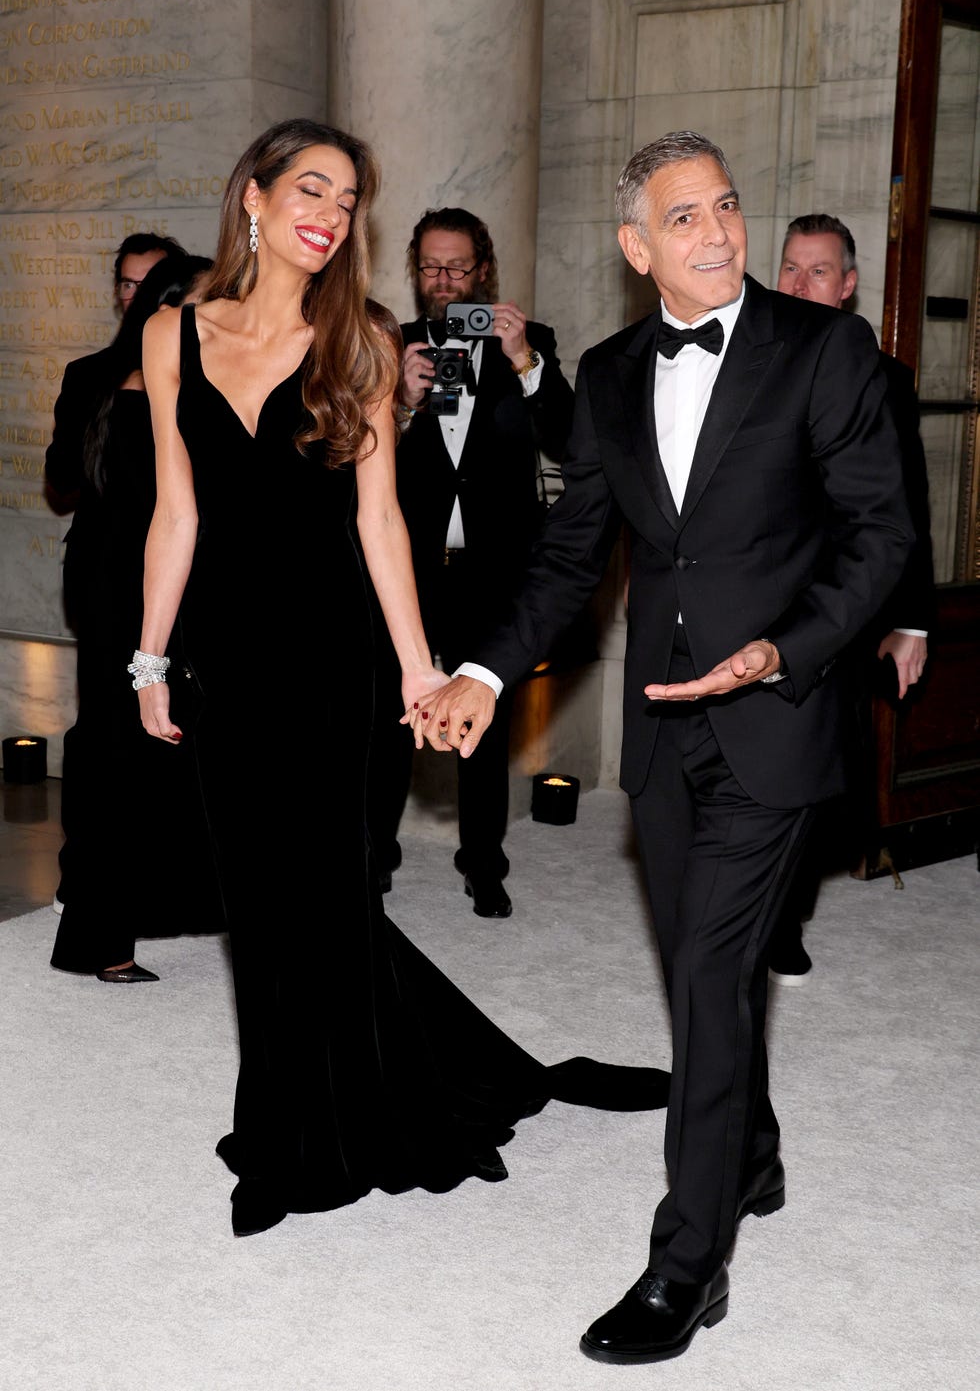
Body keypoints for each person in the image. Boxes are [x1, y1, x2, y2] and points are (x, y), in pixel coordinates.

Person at [416, 132, 913, 1362]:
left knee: (702, 976)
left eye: (726, 206)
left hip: (776, 718)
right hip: (660, 733)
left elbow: (878, 535)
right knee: (712, 975)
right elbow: (573, 553)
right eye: (682, 217)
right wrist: (481, 668)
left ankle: (686, 1263)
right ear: (638, 248)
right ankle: (748, 1148)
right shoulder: (610, 369)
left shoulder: (824, 349)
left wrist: (783, 650)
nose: (716, 232)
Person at [133, 119, 667, 1238]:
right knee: (257, 906)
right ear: (255, 196)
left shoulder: (362, 341)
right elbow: (173, 513)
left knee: (323, 898)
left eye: (347, 199)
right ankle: (286, 1110)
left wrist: (423, 668)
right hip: (222, 662)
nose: (329, 213)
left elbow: (379, 522)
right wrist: (148, 659)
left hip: (333, 660)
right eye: (311, 188)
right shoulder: (172, 334)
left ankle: (305, 1140)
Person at [367, 208, 574, 918]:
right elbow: (355, 468)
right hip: (413, 568)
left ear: (483, 268)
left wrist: (524, 362)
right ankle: (374, 860)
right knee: (393, 717)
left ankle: (484, 863)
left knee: (485, 720)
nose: (444, 280)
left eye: (457, 266)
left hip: (496, 566)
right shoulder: (393, 344)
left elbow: (573, 440)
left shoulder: (531, 341)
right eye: (431, 266)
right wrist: (397, 403)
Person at [769, 213, 936, 982]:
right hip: (752, 591)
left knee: (807, 771)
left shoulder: (883, 379)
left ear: (848, 284)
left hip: (837, 605)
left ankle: (786, 916)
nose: (801, 284)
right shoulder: (747, 359)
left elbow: (905, 511)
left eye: (819, 271)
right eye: (791, 269)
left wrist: (910, 621)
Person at [49, 254, 217, 982]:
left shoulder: (99, 374)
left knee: (138, 748)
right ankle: (104, 933)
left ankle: (132, 918)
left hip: (124, 577)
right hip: (141, 582)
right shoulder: (182, 385)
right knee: (128, 751)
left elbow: (67, 479)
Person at [46, 234, 187, 519]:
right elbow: (62, 478)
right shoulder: (86, 374)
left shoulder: (201, 370)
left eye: (149, 285)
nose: (136, 297)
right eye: (128, 285)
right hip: (102, 550)